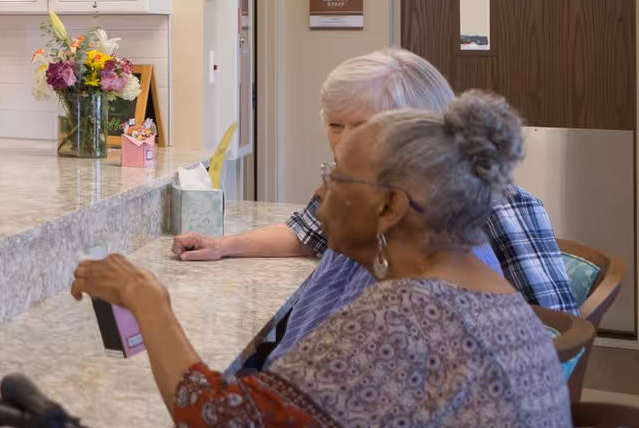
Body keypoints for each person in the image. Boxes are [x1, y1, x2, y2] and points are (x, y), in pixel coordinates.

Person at [64, 91, 587, 428]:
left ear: (390, 207)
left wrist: (146, 298)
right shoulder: (485, 296)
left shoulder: (407, 321)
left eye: (335, 179)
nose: (319, 193)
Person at [173, 48, 574, 356]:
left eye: (364, 128)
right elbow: (308, 232)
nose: (343, 142)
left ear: (416, 124)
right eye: (335, 125)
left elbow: (551, 327)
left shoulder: (490, 204)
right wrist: (222, 246)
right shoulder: (362, 197)